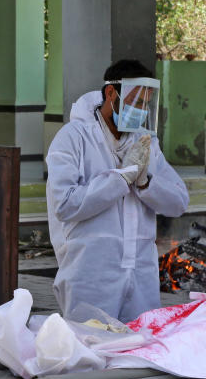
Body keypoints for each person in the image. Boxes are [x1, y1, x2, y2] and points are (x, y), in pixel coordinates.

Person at [47, 59, 189, 323]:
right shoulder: (73, 137)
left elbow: (179, 202)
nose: (140, 111)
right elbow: (64, 204)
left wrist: (145, 181)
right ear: (111, 94)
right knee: (91, 352)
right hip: (91, 273)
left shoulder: (146, 141)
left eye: (146, 104)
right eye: (135, 102)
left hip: (141, 272)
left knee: (138, 349)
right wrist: (121, 179)